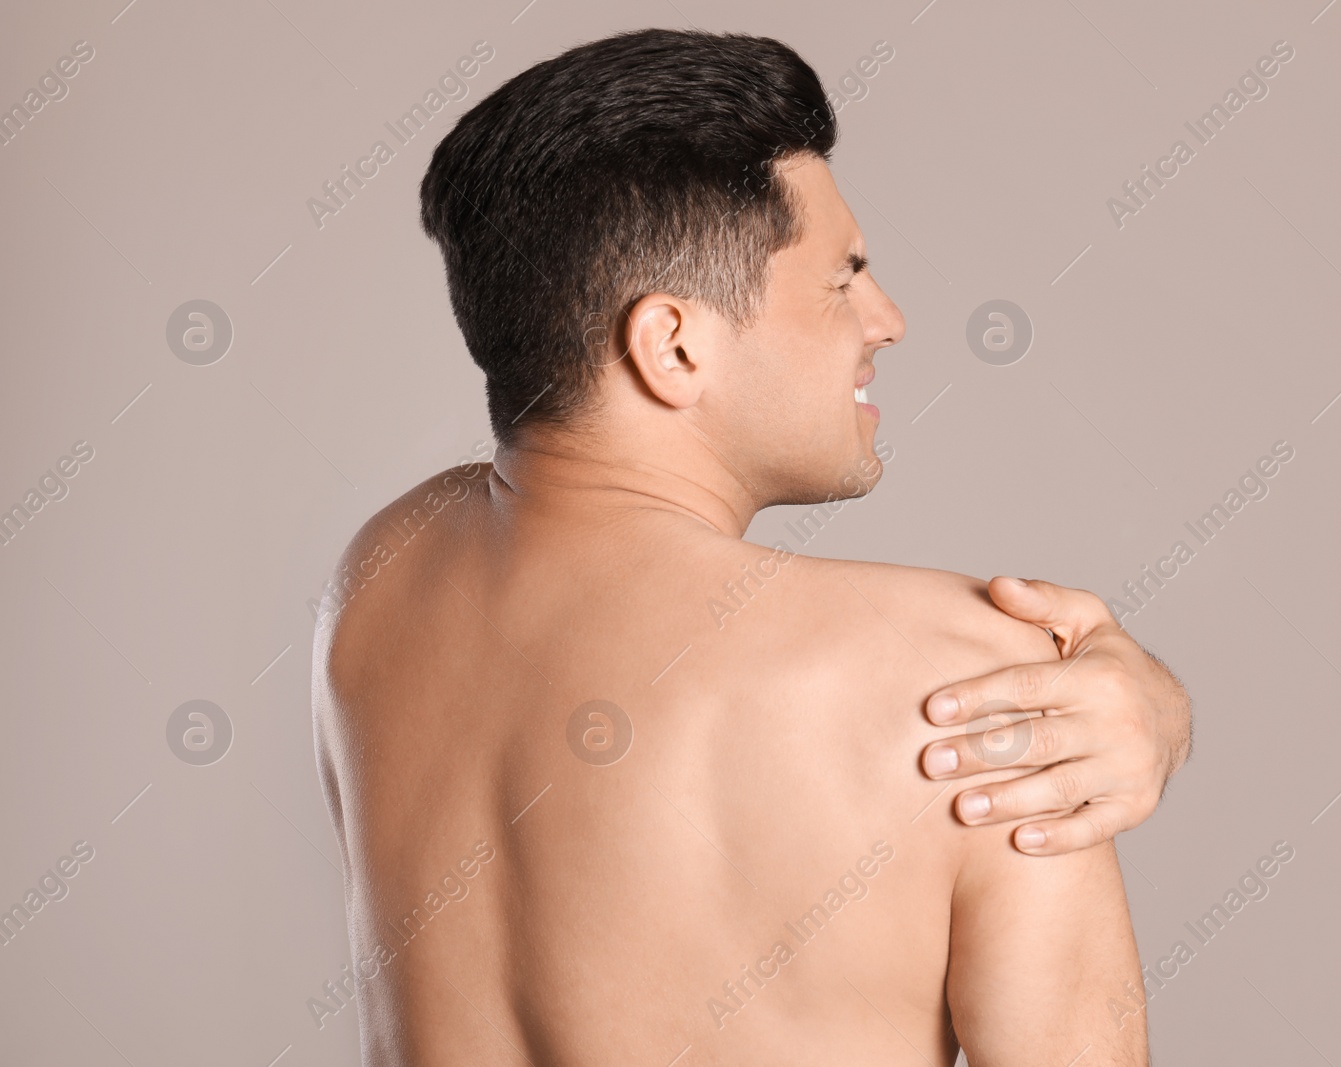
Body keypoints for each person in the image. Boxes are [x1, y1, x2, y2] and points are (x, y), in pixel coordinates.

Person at [312, 28, 1189, 1066]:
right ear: (673, 343)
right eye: (842, 278)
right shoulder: (977, 682)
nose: (886, 318)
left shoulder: (378, 574)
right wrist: (1147, 698)